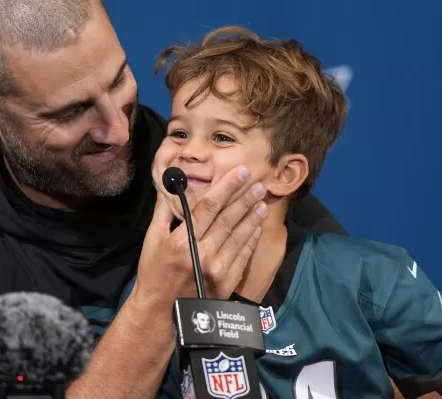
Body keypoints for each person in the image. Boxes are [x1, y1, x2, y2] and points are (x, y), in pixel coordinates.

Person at [0, 1, 346, 398]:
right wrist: (158, 304)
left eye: (119, 80)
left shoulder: (203, 166)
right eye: (71, 112)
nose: (117, 129)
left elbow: (376, 356)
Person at [118, 25, 442, 398]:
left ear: (285, 174)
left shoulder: (375, 279)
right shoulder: (145, 299)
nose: (189, 152)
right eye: (178, 133)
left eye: (222, 137)